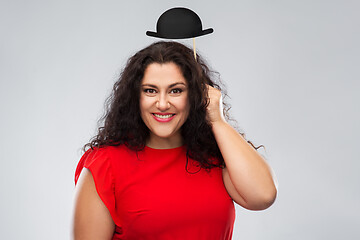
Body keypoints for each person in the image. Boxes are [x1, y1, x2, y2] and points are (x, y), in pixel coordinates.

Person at [72, 41, 277, 240]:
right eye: (150, 90)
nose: (162, 104)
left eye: (175, 90)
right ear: (136, 97)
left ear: (195, 95)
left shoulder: (215, 155)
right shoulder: (104, 164)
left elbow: (263, 196)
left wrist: (217, 120)